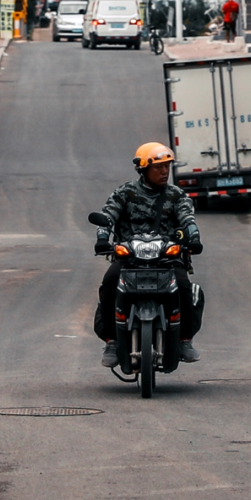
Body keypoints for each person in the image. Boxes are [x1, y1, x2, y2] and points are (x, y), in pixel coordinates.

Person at [95, 142, 203, 368]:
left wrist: (193, 238)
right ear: (143, 170)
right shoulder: (125, 193)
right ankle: (111, 340)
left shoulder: (176, 195)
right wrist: (103, 237)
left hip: (167, 258)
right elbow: (108, 216)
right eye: (158, 168)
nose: (164, 172)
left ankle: (184, 339)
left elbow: (187, 218)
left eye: (167, 167)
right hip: (129, 259)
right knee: (109, 284)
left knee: (183, 285)